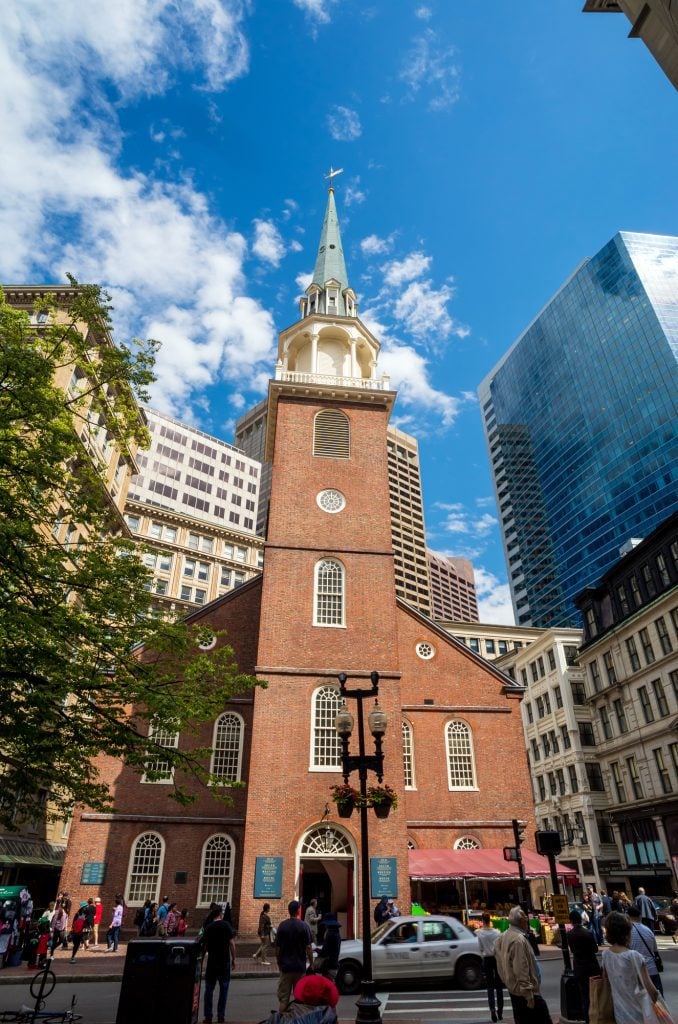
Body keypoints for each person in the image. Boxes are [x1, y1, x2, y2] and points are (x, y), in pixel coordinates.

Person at [495, 906, 553, 1024]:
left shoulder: (504, 936)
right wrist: (528, 995)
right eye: (525, 918)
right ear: (521, 921)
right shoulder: (517, 940)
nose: (527, 920)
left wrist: (508, 981)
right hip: (525, 994)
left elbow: (500, 963)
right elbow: (521, 968)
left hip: (516, 991)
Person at [602, 911, 658, 1024]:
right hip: (639, 1014)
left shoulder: (606, 955)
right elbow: (651, 989)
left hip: (620, 1014)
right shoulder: (634, 956)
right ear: (627, 932)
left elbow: (606, 981)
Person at [275, 899, 314, 1013]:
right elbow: (308, 948)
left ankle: (282, 1020)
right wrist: (311, 963)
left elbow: (277, 948)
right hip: (299, 967)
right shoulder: (304, 926)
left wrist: (279, 962)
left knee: (283, 1001)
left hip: (286, 968)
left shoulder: (282, 926)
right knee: (300, 1000)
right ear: (298, 911)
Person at [202, 905, 236, 1024]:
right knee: (224, 989)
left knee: (209, 990)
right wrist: (234, 959)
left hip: (212, 962)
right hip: (224, 962)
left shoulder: (209, 927)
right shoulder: (226, 925)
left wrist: (202, 960)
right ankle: (221, 1016)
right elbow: (231, 943)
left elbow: (205, 947)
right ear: (221, 914)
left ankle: (208, 1016)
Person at [566, 910, 599, 1023]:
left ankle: (588, 1019)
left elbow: (572, 950)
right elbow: (595, 949)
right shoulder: (588, 933)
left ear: (571, 921)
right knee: (596, 995)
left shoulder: (569, 934)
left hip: (579, 968)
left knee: (585, 996)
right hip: (592, 966)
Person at [627, 906, 663, 996]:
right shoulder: (648, 930)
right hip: (652, 968)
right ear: (640, 916)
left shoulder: (627, 932)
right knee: (659, 1000)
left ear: (628, 917)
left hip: (636, 971)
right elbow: (655, 950)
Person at [477, 911, 504, 1023]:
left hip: (487, 959)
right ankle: (500, 1012)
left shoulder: (479, 933)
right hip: (496, 959)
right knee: (499, 986)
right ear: (490, 920)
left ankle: (492, 1009)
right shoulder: (497, 932)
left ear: (483, 921)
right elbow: (500, 946)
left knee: (490, 986)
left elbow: (480, 948)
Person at [314, 913, 341, 980]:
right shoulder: (336, 933)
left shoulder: (330, 934)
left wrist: (316, 949)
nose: (325, 926)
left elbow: (325, 952)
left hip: (329, 966)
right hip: (334, 964)